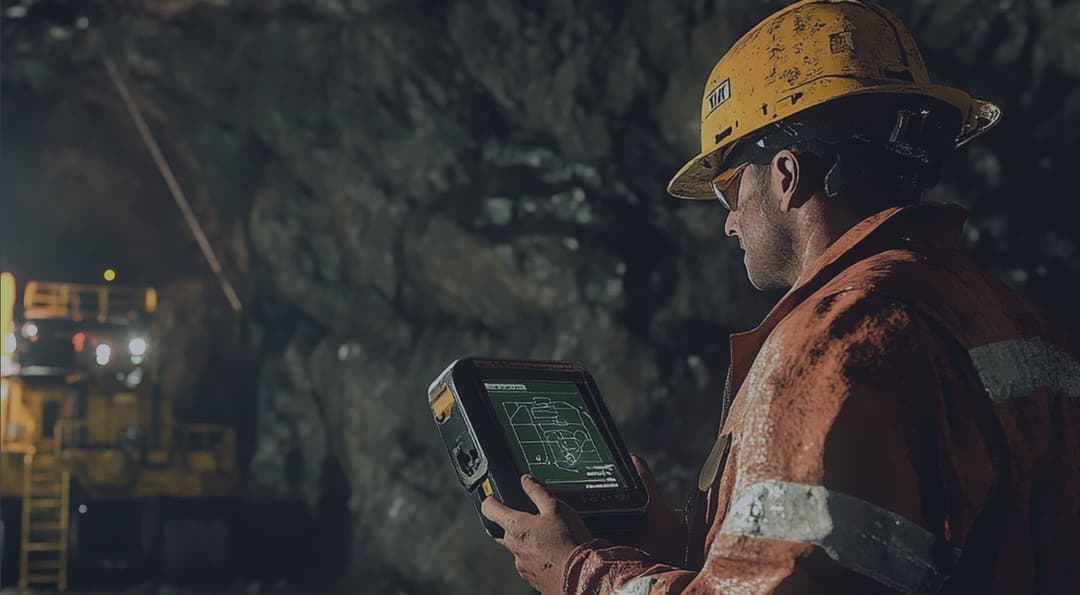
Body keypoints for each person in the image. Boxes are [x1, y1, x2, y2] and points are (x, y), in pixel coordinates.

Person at [480, 0, 1080, 593]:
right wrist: (682, 547)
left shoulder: (834, 342)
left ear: (786, 177)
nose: (729, 223)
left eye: (727, 191)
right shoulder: (1021, 322)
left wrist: (583, 573)